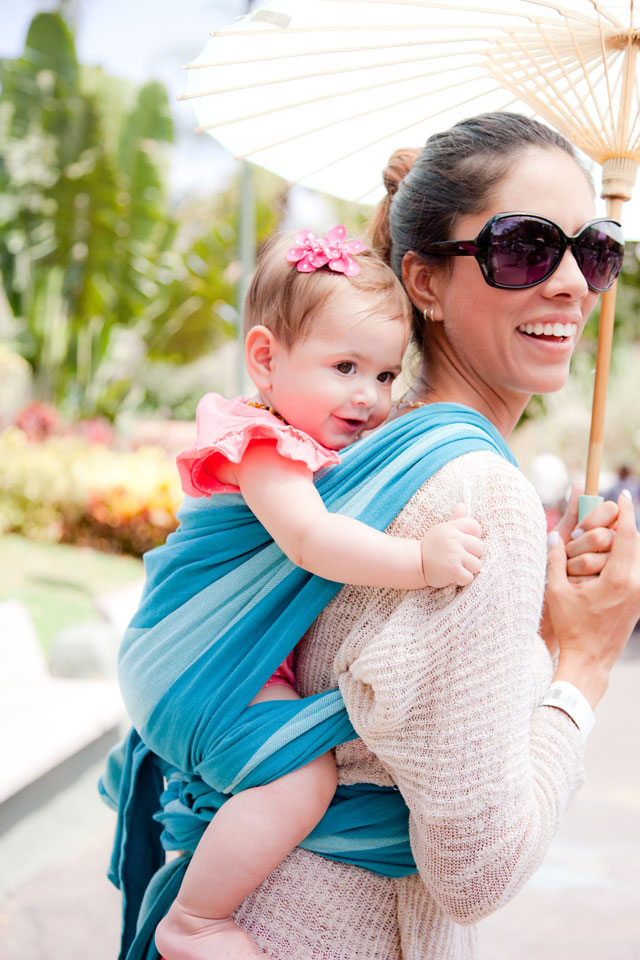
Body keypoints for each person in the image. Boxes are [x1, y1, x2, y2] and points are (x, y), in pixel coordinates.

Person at [105, 112, 640, 960]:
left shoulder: (355, 449)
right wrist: (586, 664)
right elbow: (477, 870)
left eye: (597, 249)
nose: (574, 282)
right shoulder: (478, 495)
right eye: (528, 246)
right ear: (423, 281)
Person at [122, 228, 484, 960]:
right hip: (195, 666)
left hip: (228, 666)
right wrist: (422, 558)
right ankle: (195, 921)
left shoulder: (307, 445)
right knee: (305, 777)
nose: (369, 396)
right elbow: (313, 542)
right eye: (345, 366)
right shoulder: (260, 445)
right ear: (265, 359)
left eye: (386, 376)